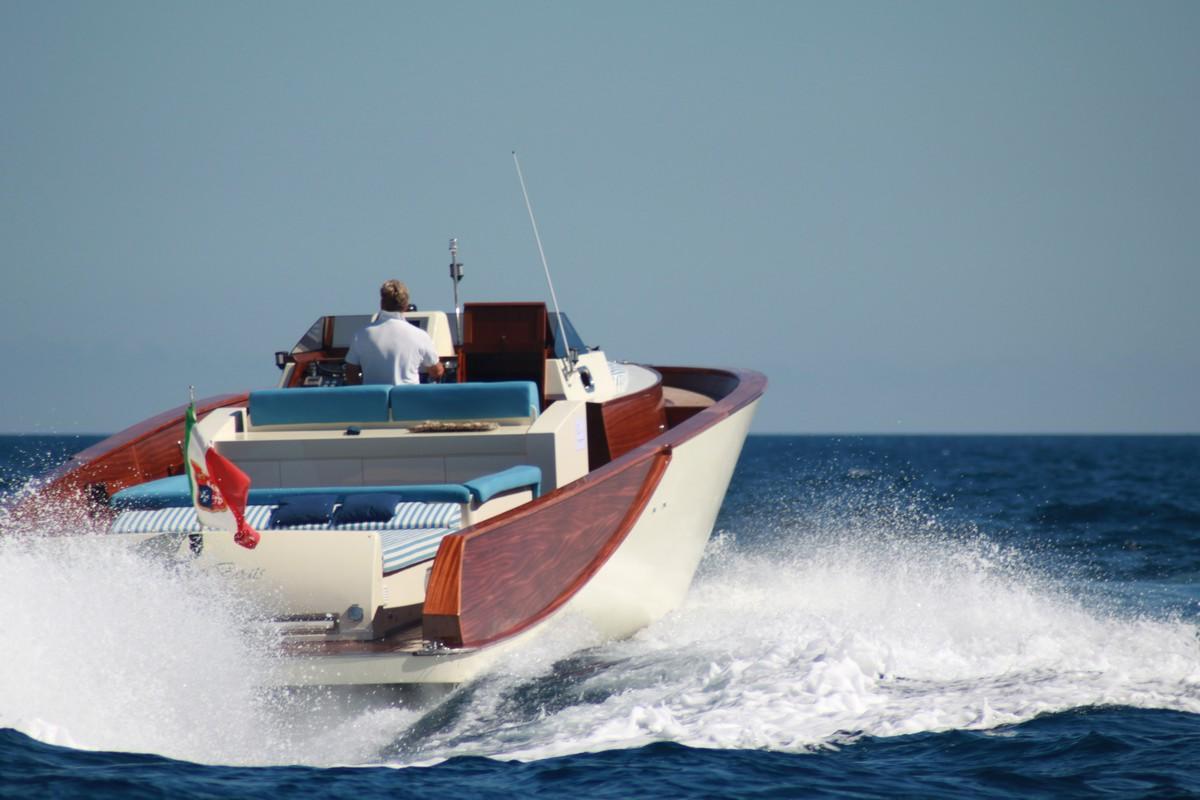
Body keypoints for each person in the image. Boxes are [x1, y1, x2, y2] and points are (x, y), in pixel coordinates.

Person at [344, 280, 445, 385]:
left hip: (375, 399)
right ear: (406, 305)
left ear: (381, 303)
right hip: (408, 398)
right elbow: (436, 372)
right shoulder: (420, 336)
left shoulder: (361, 335)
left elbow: (351, 372)